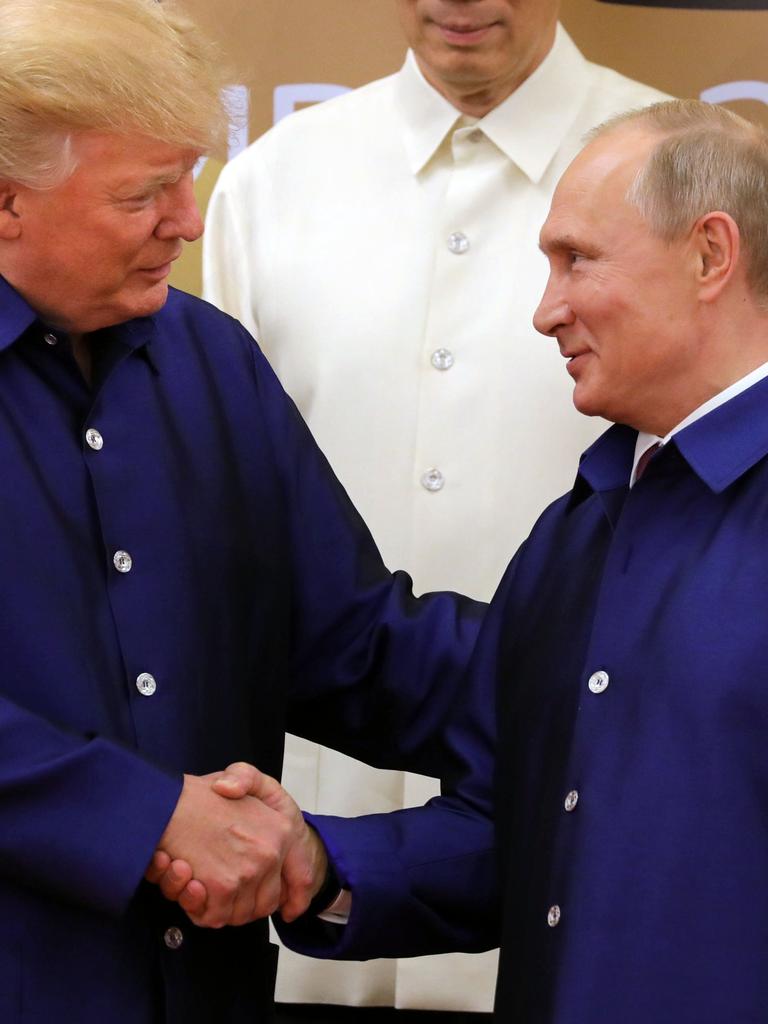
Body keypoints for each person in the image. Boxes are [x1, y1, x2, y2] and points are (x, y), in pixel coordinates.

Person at [0, 2, 496, 1021]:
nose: (190, 219)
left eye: (190, 175)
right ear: (7, 203)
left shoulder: (211, 359)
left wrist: (599, 683)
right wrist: (142, 816)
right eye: (147, 192)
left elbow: (349, 640)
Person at [230, 98, 768, 1022]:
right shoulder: (579, 530)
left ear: (710, 254)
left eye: (577, 260)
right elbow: (515, 828)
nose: (544, 311)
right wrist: (315, 867)